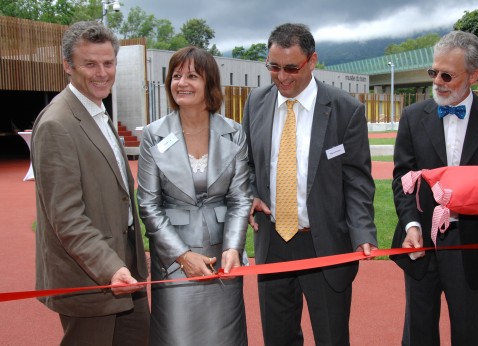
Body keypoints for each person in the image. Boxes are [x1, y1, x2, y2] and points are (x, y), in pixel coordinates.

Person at [242, 23, 377, 345]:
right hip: (272, 241)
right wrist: (249, 193)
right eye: (273, 67)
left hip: (325, 243)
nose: (282, 77)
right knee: (278, 337)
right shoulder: (256, 103)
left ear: (312, 61)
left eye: (291, 67)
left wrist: (362, 232)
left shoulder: (346, 109)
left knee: (331, 336)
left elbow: (357, 179)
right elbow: (245, 164)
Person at [391, 31, 478, 346]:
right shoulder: (411, 117)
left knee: (468, 331)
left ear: (474, 75)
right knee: (418, 331)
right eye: (433, 72)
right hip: (420, 242)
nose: (437, 81)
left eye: (447, 75)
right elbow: (402, 178)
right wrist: (410, 224)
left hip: (472, 243)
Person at [31, 21, 150, 345]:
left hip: (123, 268)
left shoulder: (98, 111)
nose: (102, 73)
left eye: (108, 63)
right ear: (68, 65)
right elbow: (66, 217)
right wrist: (109, 267)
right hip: (90, 276)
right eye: (90, 64)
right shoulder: (57, 124)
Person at [137, 46, 251, 345]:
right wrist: (182, 255)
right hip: (174, 261)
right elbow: (148, 203)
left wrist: (233, 248)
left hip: (222, 256)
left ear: (209, 83)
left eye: (192, 76)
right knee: (177, 336)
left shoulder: (234, 132)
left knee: (225, 337)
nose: (182, 83)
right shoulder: (153, 134)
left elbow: (240, 198)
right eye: (176, 76)